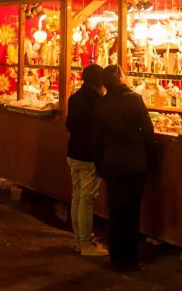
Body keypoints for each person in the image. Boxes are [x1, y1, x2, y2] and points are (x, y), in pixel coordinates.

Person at [95, 64, 154, 271]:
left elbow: (98, 137)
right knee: (132, 209)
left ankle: (116, 255)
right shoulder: (135, 99)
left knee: (116, 209)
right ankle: (131, 255)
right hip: (134, 162)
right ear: (120, 77)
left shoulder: (102, 104)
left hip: (112, 162)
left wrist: (101, 162)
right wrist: (147, 155)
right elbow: (148, 131)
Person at [65, 64, 108, 256]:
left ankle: (77, 239)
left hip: (74, 152)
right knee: (87, 199)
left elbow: (69, 124)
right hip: (89, 155)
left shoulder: (75, 98)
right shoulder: (98, 100)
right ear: (99, 81)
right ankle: (85, 243)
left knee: (77, 196)